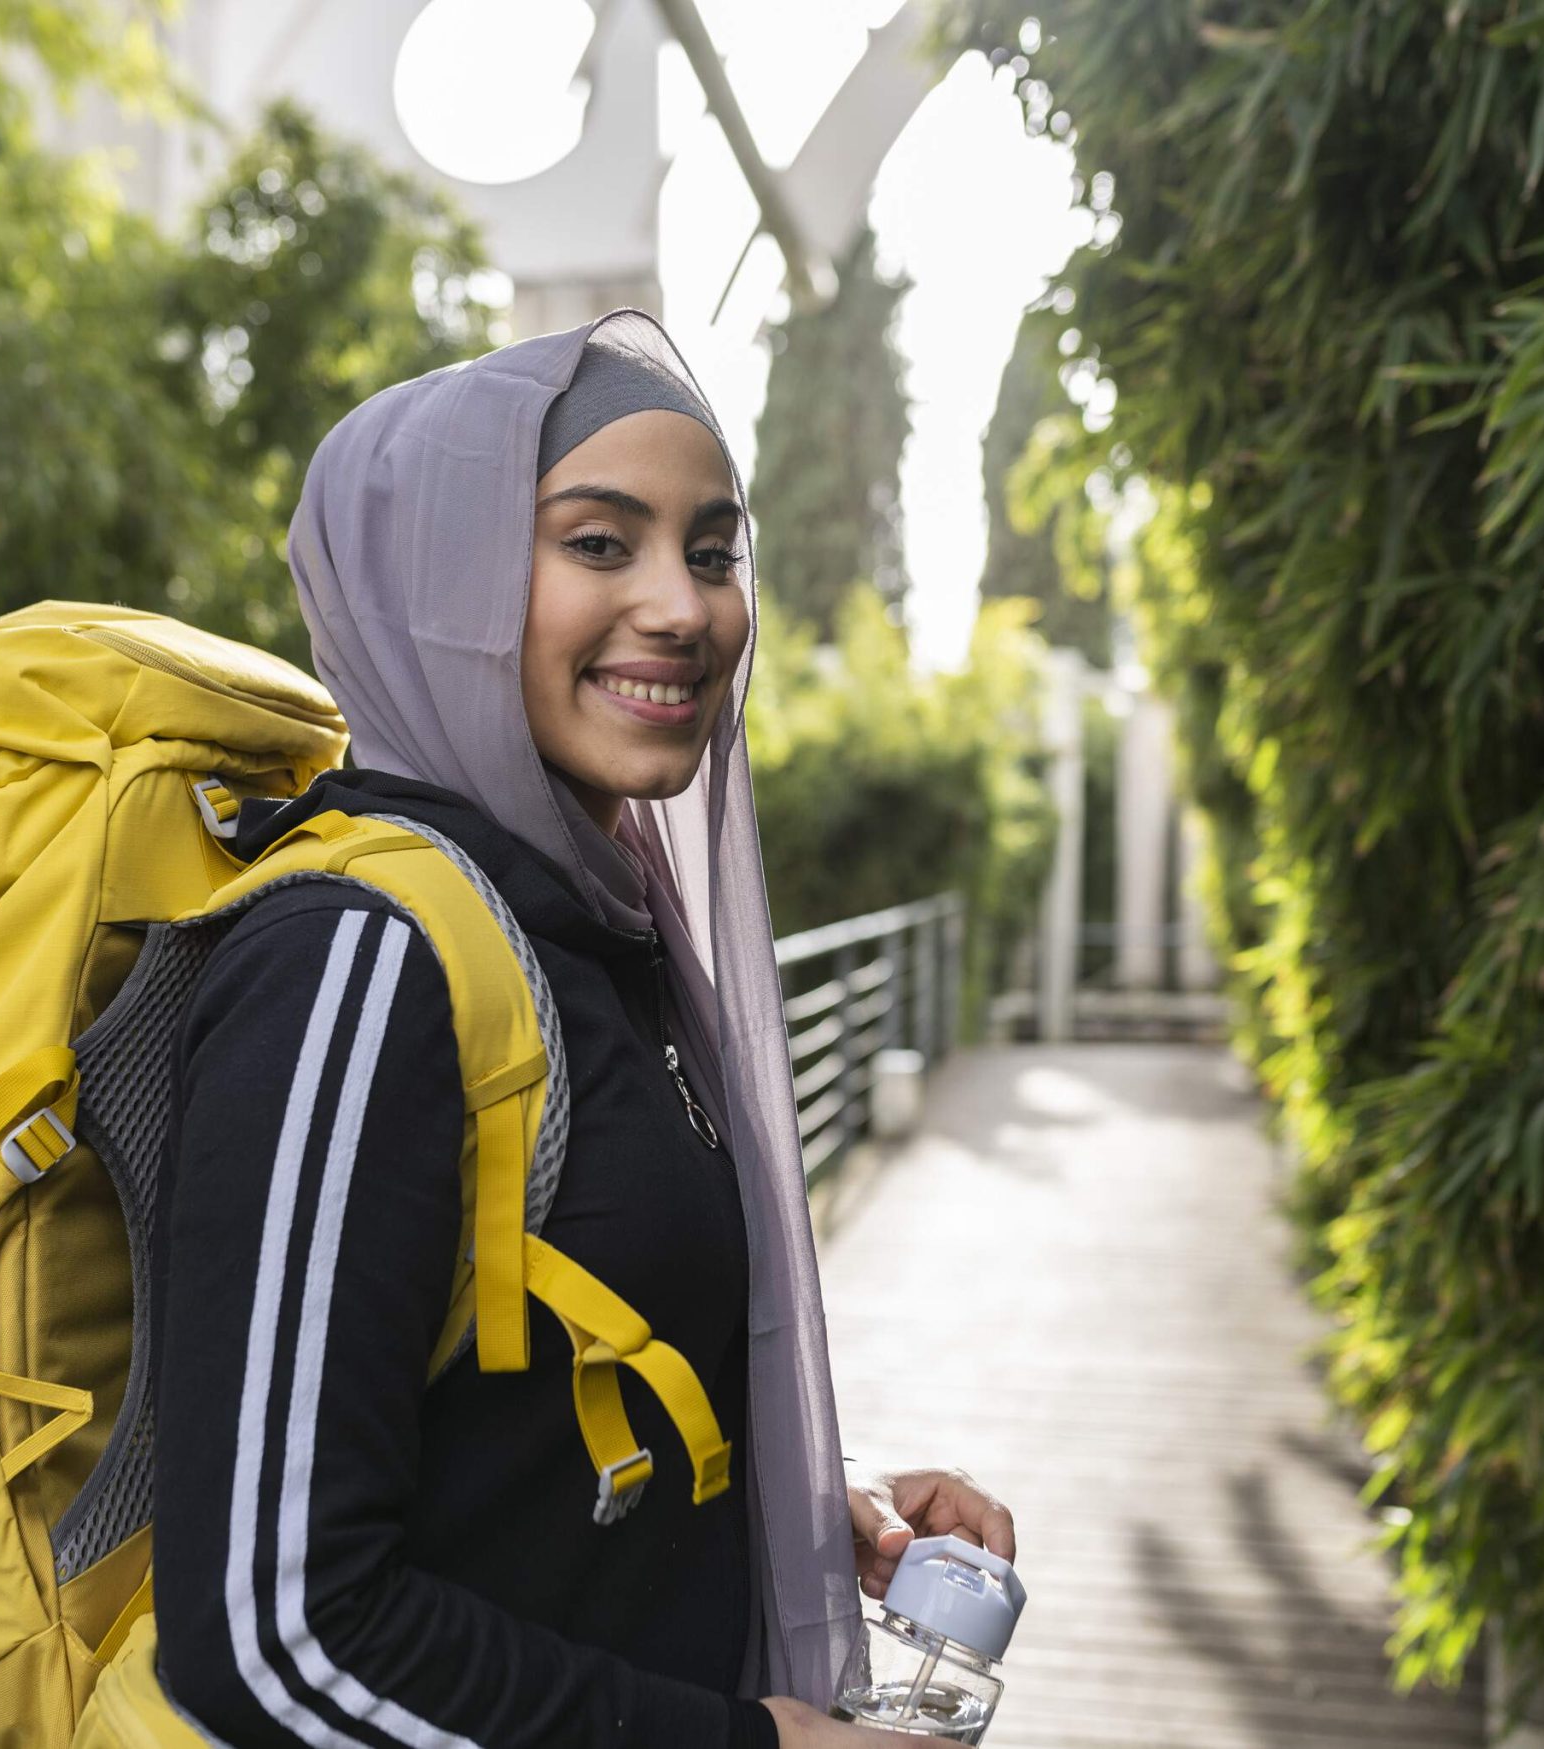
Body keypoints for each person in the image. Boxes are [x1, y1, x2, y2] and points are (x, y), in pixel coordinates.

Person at [146, 308, 1015, 1747]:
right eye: (599, 543)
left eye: (716, 550)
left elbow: (516, 1411)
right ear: (440, 581)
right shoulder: (357, 958)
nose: (685, 606)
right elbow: (275, 1635)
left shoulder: (588, 929)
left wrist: (813, 1499)